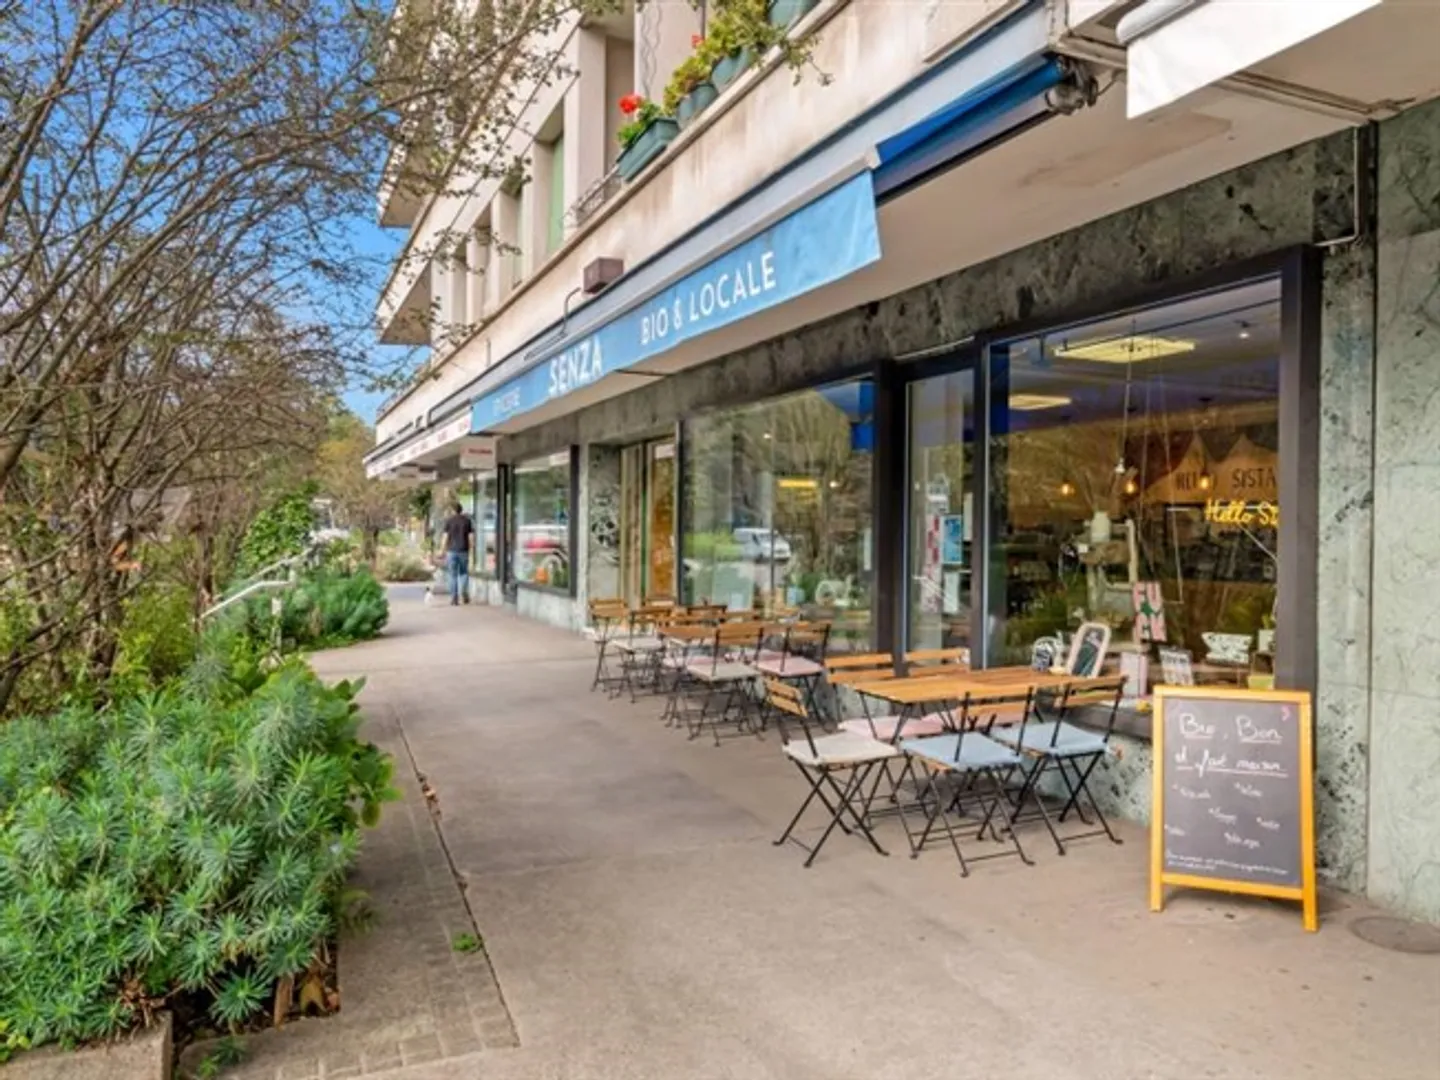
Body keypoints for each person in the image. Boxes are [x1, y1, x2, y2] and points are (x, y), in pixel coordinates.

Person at [441, 500, 475, 606]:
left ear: (453, 510)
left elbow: (445, 537)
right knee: (464, 573)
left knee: (452, 575)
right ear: (461, 510)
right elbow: (471, 537)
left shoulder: (449, 521)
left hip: (451, 551)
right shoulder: (467, 521)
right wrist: (472, 550)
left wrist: (442, 550)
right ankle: (464, 594)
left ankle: (454, 598)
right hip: (464, 550)